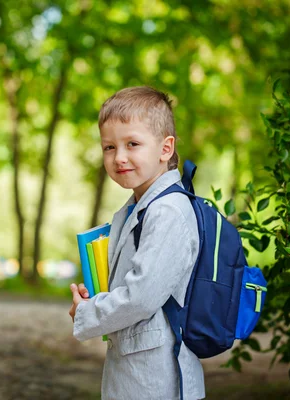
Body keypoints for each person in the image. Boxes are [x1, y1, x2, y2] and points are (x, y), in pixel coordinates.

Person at [69, 86, 205, 399]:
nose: (120, 157)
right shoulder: (137, 208)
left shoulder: (168, 211)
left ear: (165, 148)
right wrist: (96, 297)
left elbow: (141, 297)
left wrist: (89, 312)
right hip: (138, 375)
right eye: (109, 147)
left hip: (159, 381)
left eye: (132, 144)